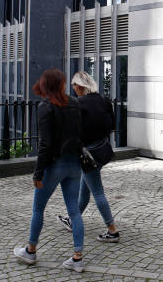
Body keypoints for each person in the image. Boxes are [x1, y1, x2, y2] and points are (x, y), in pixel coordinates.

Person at [13, 68, 86, 273]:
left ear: (46, 85)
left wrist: (38, 173)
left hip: (55, 164)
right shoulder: (74, 103)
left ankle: (30, 251)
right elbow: (79, 133)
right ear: (62, 84)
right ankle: (77, 257)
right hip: (74, 163)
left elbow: (45, 144)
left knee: (38, 209)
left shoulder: (46, 106)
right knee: (74, 210)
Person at [56, 71, 120, 243]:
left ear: (80, 85)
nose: (73, 89)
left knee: (98, 192)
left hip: (87, 155)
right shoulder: (104, 100)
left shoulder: (77, 104)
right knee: (85, 188)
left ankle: (112, 230)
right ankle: (72, 219)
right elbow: (112, 124)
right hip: (101, 149)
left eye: (74, 86)